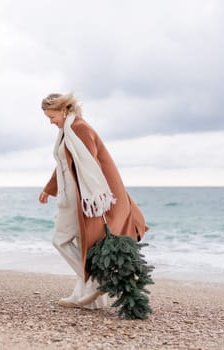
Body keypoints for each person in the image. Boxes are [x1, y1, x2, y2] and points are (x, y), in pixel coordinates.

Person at [39, 92, 148, 309]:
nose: (51, 122)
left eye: (52, 117)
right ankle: (90, 298)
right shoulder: (67, 131)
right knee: (77, 242)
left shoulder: (80, 128)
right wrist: (48, 189)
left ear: (63, 110)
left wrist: (98, 201)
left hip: (85, 198)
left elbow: (93, 168)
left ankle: (96, 281)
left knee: (62, 240)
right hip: (71, 196)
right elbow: (64, 163)